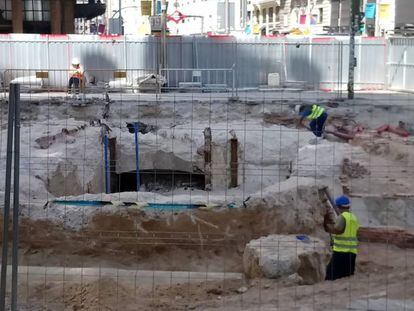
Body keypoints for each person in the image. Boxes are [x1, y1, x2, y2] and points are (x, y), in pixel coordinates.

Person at [323, 195, 360, 281]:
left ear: (338, 206)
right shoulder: (354, 217)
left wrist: (327, 227)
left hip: (341, 252)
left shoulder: (342, 217)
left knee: (330, 275)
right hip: (352, 252)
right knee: (347, 276)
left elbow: (338, 230)